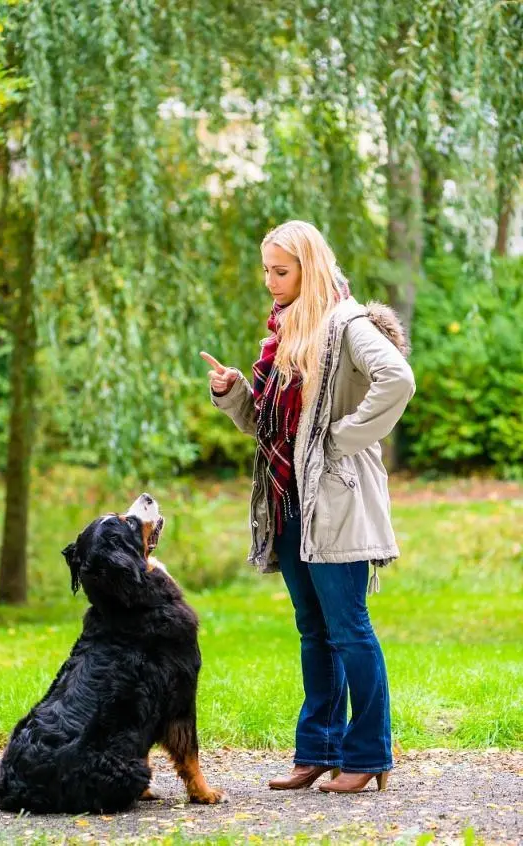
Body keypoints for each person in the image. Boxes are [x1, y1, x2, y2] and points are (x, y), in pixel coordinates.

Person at [200, 220, 415, 794]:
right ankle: (319, 749)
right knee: (313, 630)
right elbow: (271, 428)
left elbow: (396, 378)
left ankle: (368, 754)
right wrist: (232, 394)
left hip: (336, 498)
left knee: (349, 629)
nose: (270, 281)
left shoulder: (345, 323)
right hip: (289, 500)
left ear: (309, 268)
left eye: (281, 270)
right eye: (267, 270)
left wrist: (341, 438)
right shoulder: (284, 330)